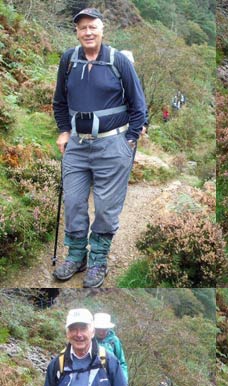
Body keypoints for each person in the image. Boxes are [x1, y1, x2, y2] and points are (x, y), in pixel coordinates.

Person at [52, 8, 148, 288]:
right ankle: (77, 255)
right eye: (82, 28)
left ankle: (98, 260)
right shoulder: (68, 60)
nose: (87, 32)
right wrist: (63, 131)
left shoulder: (118, 61)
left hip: (113, 144)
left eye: (92, 27)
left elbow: (138, 105)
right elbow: (60, 101)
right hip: (78, 145)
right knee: (73, 202)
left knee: (106, 207)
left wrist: (129, 140)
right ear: (77, 33)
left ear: (102, 30)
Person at [94, 312, 128, 382]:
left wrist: (123, 381)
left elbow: (121, 362)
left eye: (104, 329)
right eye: (99, 329)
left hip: (112, 378)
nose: (101, 332)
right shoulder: (88, 341)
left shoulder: (114, 341)